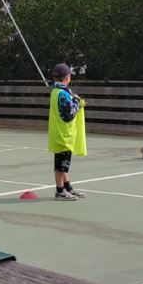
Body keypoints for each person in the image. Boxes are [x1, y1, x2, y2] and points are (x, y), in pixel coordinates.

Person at [47, 63, 87, 200]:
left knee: (64, 164)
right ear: (67, 77)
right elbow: (69, 114)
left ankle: (67, 187)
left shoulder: (57, 91)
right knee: (60, 165)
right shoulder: (61, 94)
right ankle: (60, 191)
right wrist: (76, 101)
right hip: (62, 135)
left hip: (61, 134)